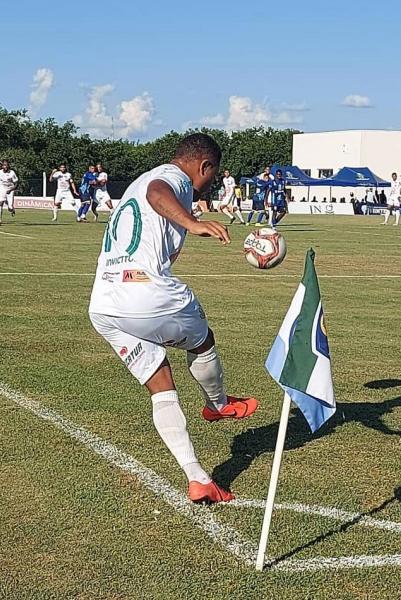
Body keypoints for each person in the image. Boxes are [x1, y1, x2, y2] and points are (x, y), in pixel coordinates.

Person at [88, 133, 258, 505]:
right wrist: (193, 223)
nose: (205, 186)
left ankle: (198, 479)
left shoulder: (144, 182)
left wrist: (188, 221)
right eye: (208, 179)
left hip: (104, 304)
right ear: (204, 167)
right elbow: (157, 193)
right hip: (144, 292)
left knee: (161, 387)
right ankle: (218, 404)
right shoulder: (173, 178)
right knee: (203, 339)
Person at [0, 160, 19, 225]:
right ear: (2, 166)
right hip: (2, 188)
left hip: (10, 189)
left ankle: (12, 209)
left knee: (10, 208)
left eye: (7, 165)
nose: (5, 166)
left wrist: (11, 190)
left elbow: (16, 183)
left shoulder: (12, 173)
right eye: (4, 165)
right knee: (0, 202)